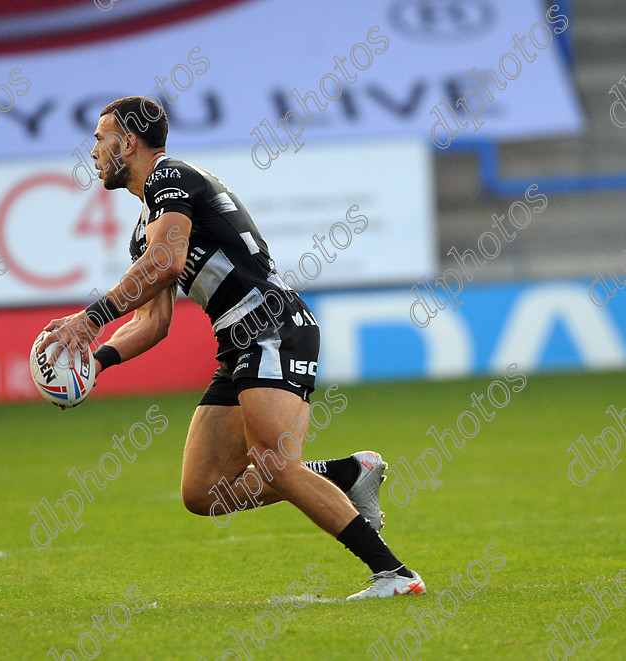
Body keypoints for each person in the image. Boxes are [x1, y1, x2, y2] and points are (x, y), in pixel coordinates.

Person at [37, 96, 425, 599]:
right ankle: (349, 472)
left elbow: (167, 264)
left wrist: (90, 319)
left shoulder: (170, 177)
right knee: (204, 490)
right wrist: (97, 359)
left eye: (99, 136)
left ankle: (395, 575)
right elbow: (152, 322)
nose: (91, 150)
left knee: (274, 464)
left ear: (127, 141)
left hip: (271, 325)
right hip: (239, 341)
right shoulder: (146, 226)